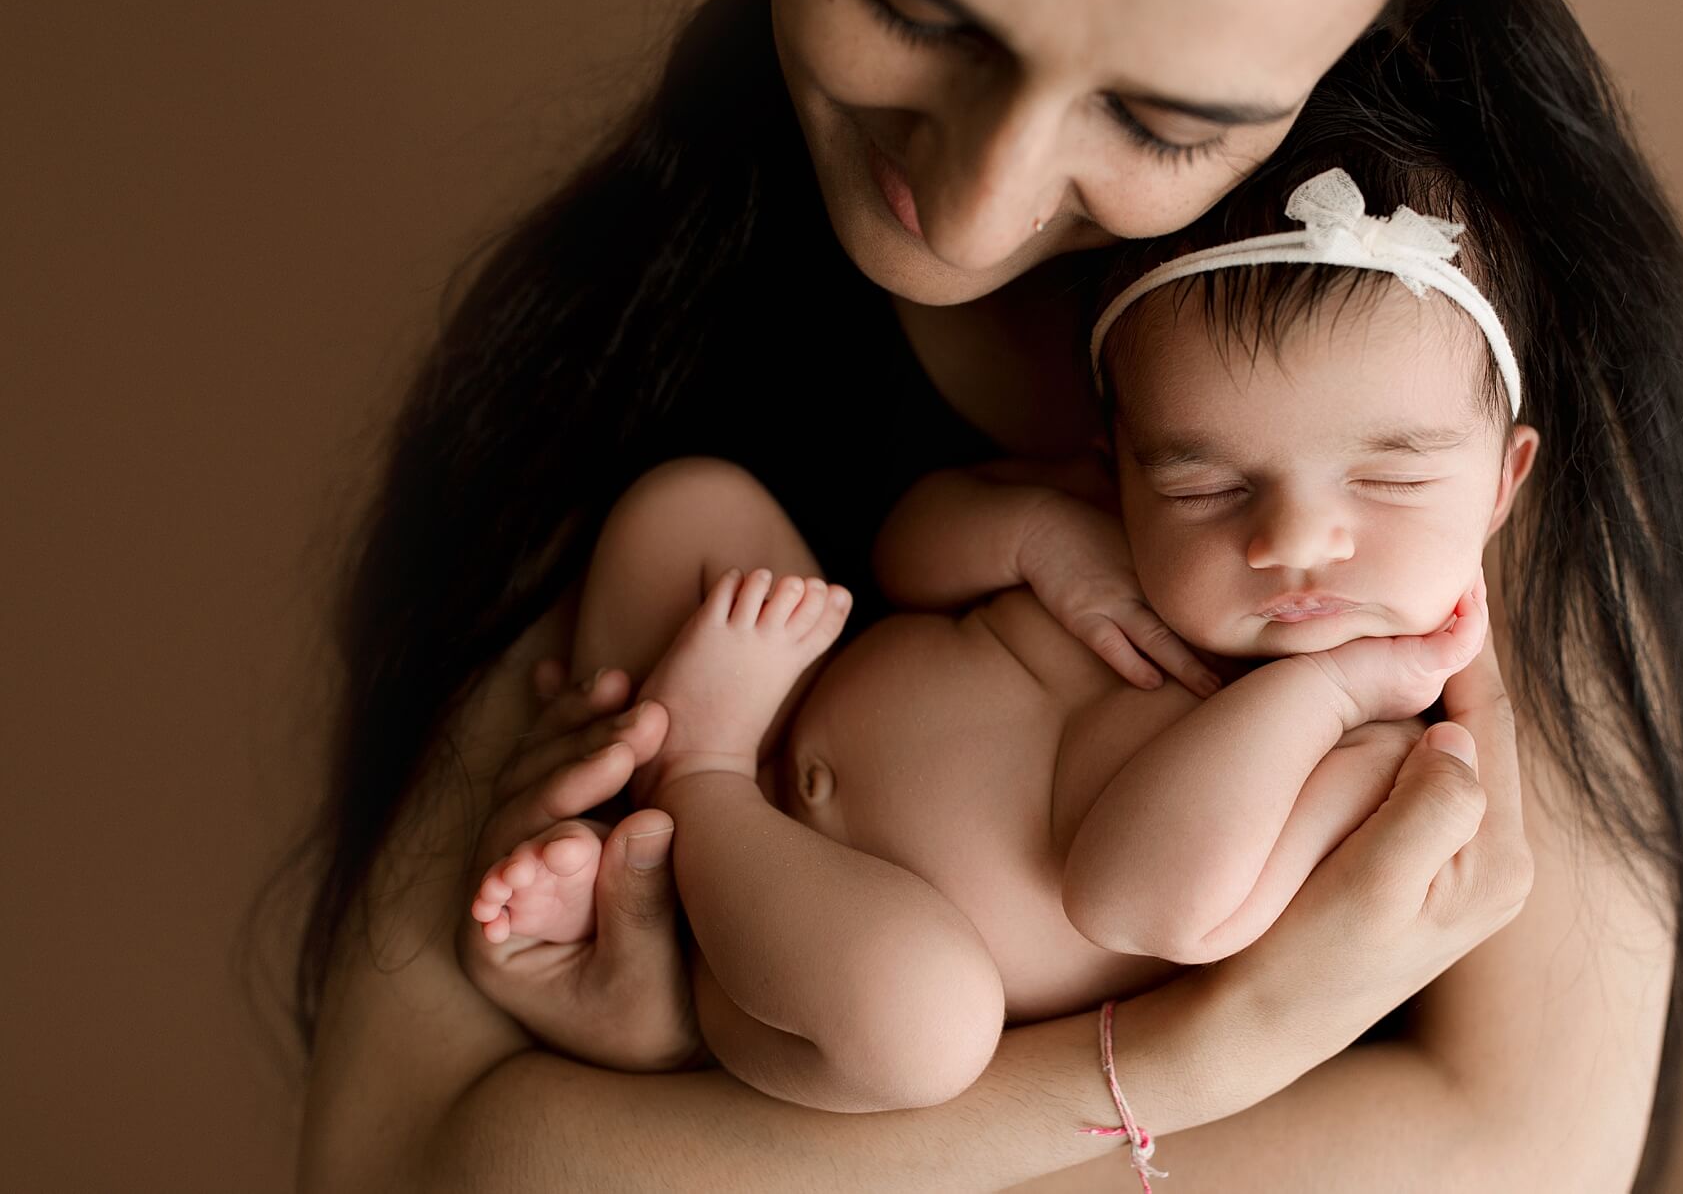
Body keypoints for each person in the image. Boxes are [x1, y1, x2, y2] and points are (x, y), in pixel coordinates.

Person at [295, 0, 1683, 1188]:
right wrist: (1202, 1067)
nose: (978, 205)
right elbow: (406, 1168)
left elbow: (1517, 1157)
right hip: (754, 851)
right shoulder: (671, 303)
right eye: (911, 0)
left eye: (1168, 121)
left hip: (858, 962)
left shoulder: (1446, 390)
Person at [462, 156, 1537, 1121]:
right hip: (792, 698)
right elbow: (902, 557)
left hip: (827, 960)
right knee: (688, 507)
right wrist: (1031, 539)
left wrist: (1333, 692)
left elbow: (1137, 895)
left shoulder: (1376, 757)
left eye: (1389, 479)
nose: (1288, 538)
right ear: (1117, 453)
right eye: (1202, 479)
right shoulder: (1110, 526)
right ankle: (622, 831)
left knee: (925, 1023)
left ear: (1501, 483)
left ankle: (679, 871)